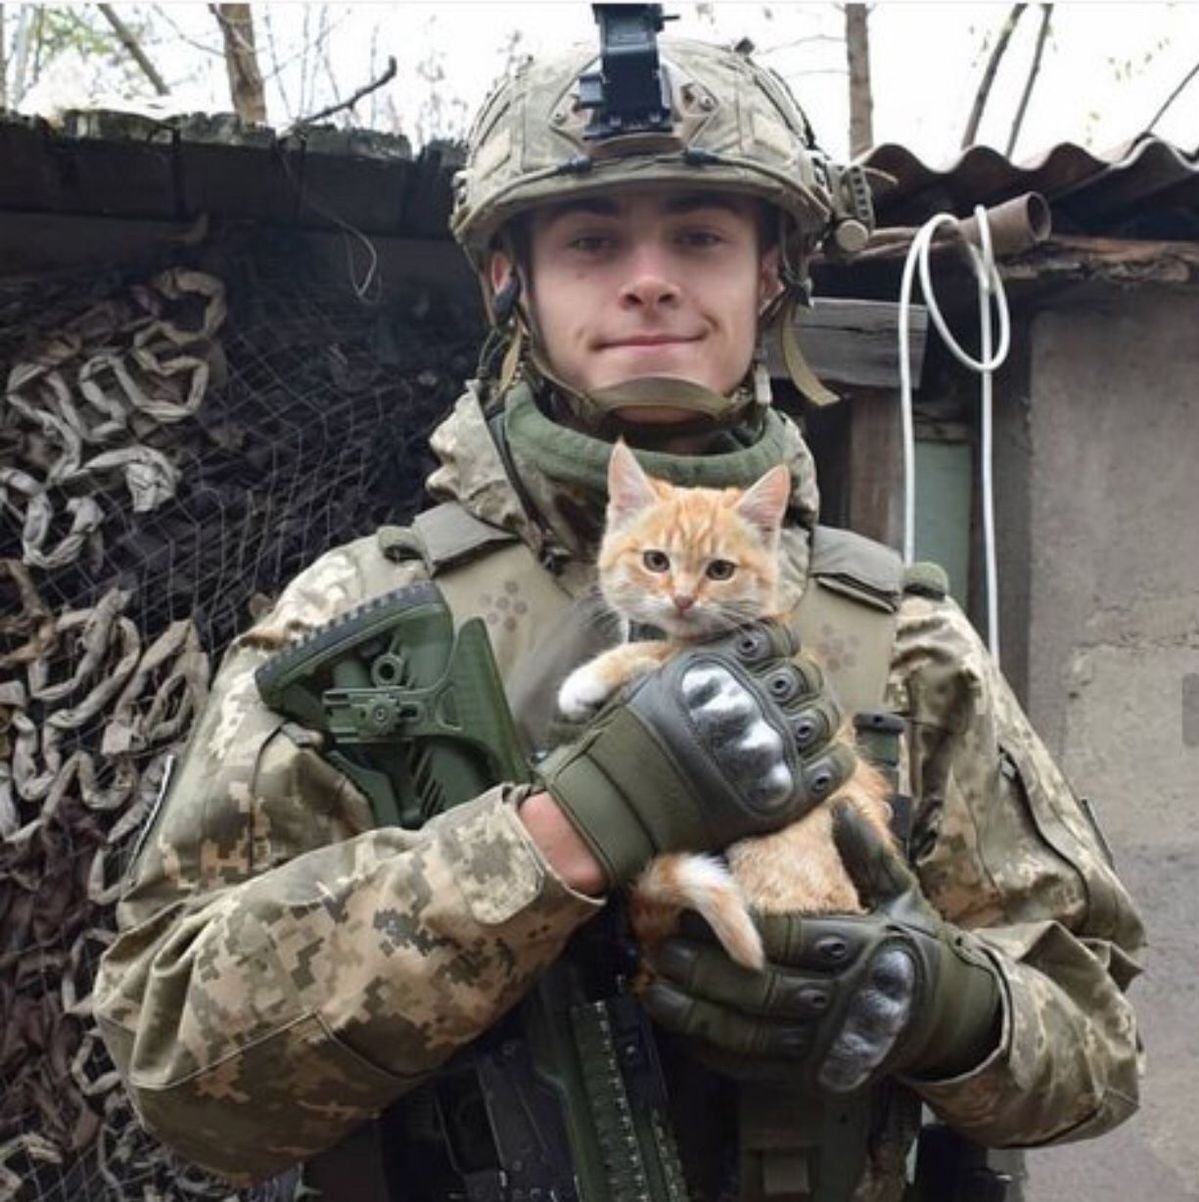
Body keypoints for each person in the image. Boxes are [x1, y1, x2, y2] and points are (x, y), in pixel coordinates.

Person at [94, 14, 1144, 1202]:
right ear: (509, 279)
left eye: (698, 235)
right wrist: (555, 837)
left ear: (770, 272)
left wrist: (946, 1006)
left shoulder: (895, 634)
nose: (648, 278)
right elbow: (174, 1058)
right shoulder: (362, 623)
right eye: (591, 239)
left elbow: (1096, 1045)